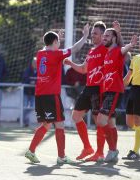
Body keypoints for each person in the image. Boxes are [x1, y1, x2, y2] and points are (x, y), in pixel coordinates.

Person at [25, 24, 89, 164]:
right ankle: (61, 157)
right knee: (59, 124)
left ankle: (31, 151)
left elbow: (48, 48)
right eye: (58, 42)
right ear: (54, 43)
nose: (59, 44)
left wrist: (56, 38)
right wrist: (85, 36)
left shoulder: (40, 53)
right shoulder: (56, 54)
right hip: (51, 95)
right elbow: (74, 49)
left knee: (46, 125)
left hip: (40, 94)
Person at [64, 21, 107, 162]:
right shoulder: (91, 51)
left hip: (99, 89)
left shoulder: (106, 49)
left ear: (103, 35)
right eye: (92, 33)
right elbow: (83, 69)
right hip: (88, 87)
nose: (92, 35)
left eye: (95, 33)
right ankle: (88, 147)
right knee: (76, 116)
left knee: (98, 121)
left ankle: (100, 153)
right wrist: (70, 64)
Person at [96, 24, 137, 163]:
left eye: (107, 35)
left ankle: (112, 150)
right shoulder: (107, 53)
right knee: (111, 123)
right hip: (106, 91)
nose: (104, 38)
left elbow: (125, 49)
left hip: (114, 91)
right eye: (103, 36)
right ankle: (113, 151)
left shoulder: (118, 50)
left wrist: (128, 42)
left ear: (113, 38)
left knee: (101, 120)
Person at [122, 33, 140, 160]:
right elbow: (128, 77)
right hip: (133, 90)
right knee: (129, 122)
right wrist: (119, 84)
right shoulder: (135, 58)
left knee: (139, 122)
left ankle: (135, 152)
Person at [22, 57, 37, 126]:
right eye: (34, 62)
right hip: (26, 92)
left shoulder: (40, 71)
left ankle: (24, 119)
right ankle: (25, 122)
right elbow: (24, 79)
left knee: (32, 107)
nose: (35, 64)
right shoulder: (28, 70)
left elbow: (40, 80)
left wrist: (35, 82)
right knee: (24, 106)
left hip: (34, 93)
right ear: (31, 63)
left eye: (36, 62)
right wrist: (30, 82)